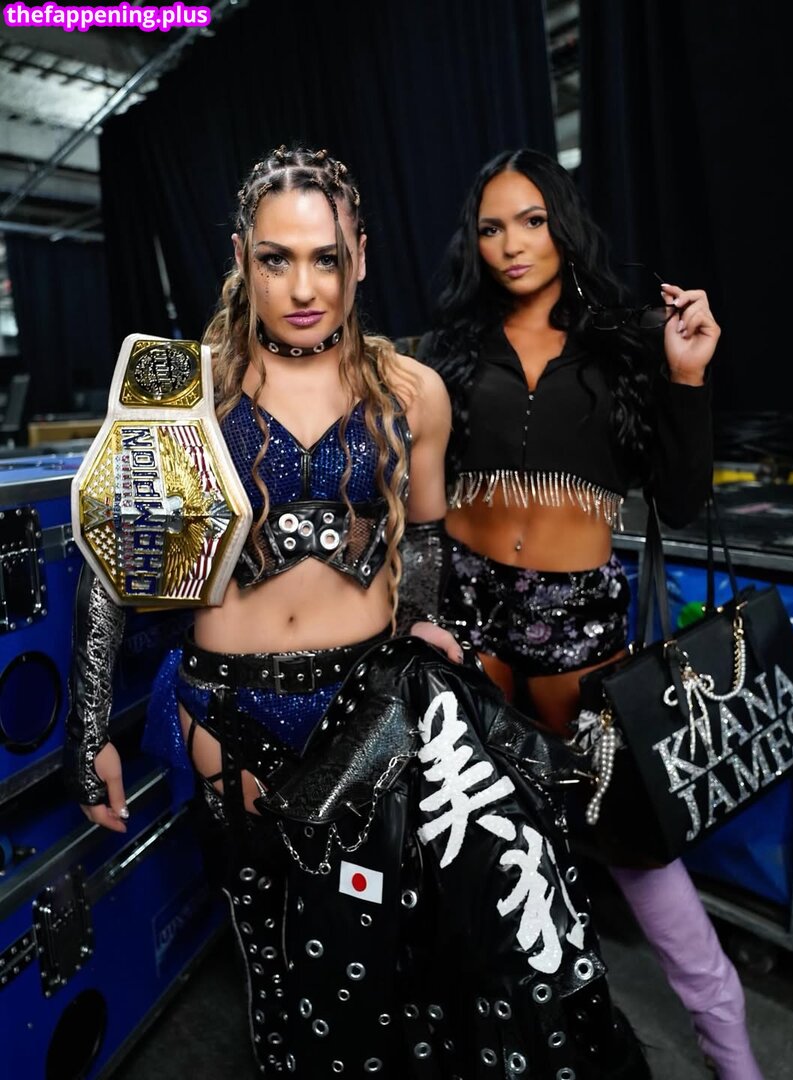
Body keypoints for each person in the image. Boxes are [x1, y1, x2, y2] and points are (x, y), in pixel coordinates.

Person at [63, 145, 652, 1078]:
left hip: (368, 709)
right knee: (272, 956)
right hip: (229, 712)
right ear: (241, 256)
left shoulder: (412, 390)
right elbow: (116, 567)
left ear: (361, 257)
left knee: (385, 967)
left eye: (326, 258)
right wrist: (90, 726)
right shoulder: (180, 384)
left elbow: (428, 534)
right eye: (276, 258)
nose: (304, 287)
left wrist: (420, 618)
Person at [417, 147, 764, 1080]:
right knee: (464, 844)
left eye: (532, 221)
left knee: (638, 846)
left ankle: (730, 1045)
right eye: (492, 228)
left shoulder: (626, 341)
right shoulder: (448, 351)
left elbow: (682, 503)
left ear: (564, 226)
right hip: (467, 610)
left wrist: (686, 375)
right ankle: (489, 1040)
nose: (511, 244)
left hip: (578, 622)